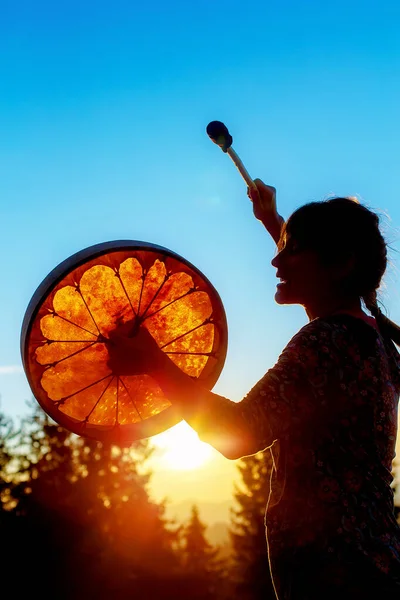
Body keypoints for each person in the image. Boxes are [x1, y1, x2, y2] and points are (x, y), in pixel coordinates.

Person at [108, 180, 400, 599]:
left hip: (341, 577)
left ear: (342, 263)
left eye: (292, 249)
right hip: (374, 565)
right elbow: (328, 276)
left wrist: (152, 362)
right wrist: (273, 222)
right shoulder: (369, 339)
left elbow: (239, 432)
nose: (276, 261)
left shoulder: (327, 342)